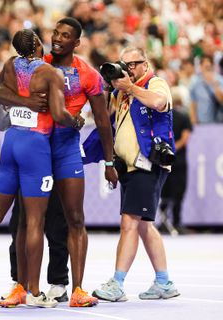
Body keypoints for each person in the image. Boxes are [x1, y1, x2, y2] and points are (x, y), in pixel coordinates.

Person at [0, 18, 116, 307]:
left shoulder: (88, 75)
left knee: (73, 218)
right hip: (34, 148)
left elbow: (101, 121)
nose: (57, 38)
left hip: (65, 150)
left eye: (65, 35)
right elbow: (2, 93)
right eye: (55, 33)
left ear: (77, 43)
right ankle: (21, 285)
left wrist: (109, 162)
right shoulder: (34, 62)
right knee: (23, 220)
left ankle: (77, 289)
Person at [0, 29, 75, 308]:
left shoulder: (10, 65)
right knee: (35, 221)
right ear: (36, 45)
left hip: (12, 141)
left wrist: (22, 102)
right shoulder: (49, 73)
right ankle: (33, 291)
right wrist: (76, 122)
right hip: (36, 145)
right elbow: (58, 114)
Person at [92, 46, 180, 302]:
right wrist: (109, 89)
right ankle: (164, 282)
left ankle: (117, 284)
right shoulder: (121, 92)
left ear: (145, 63)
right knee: (143, 226)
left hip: (148, 164)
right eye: (124, 64)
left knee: (129, 223)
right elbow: (106, 119)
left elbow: (159, 103)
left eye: (133, 64)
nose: (128, 69)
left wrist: (130, 87)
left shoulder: (156, 83)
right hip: (129, 166)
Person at [159, 91, 192, 234]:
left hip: (164, 160)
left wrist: (166, 150)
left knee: (165, 193)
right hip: (179, 161)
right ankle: (176, 223)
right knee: (178, 193)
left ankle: (164, 222)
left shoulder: (163, 117)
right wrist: (173, 149)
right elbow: (185, 139)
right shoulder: (184, 117)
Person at [189, 55, 223, 124]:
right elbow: (193, 103)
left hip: (218, 122)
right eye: (206, 67)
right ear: (201, 67)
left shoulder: (219, 80)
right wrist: (193, 122)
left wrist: (214, 84)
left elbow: (222, 100)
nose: (208, 70)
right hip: (202, 123)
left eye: (209, 67)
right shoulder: (195, 82)